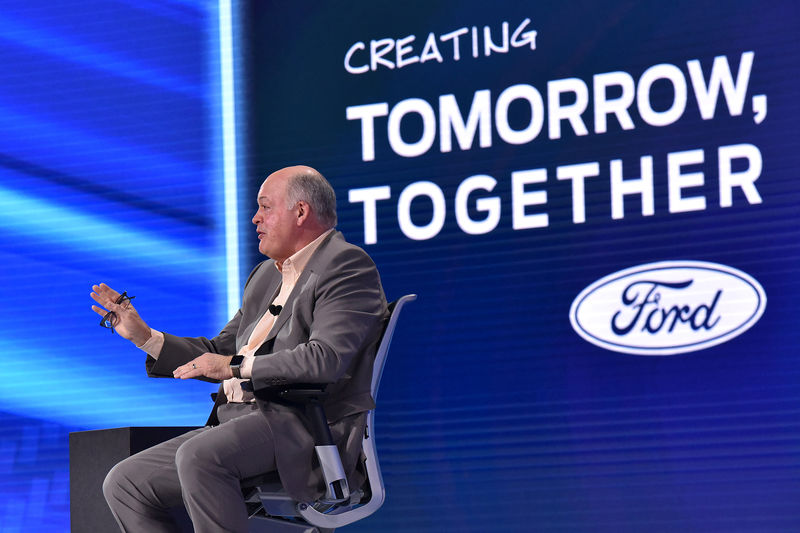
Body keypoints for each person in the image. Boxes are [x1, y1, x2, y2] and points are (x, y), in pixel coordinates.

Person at [91, 165, 388, 533]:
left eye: (265, 207)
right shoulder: (265, 275)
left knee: (200, 458)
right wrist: (145, 337)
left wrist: (235, 367)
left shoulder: (345, 265)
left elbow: (323, 359)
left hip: (303, 427)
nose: (255, 218)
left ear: (300, 211)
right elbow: (218, 350)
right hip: (239, 422)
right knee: (126, 482)